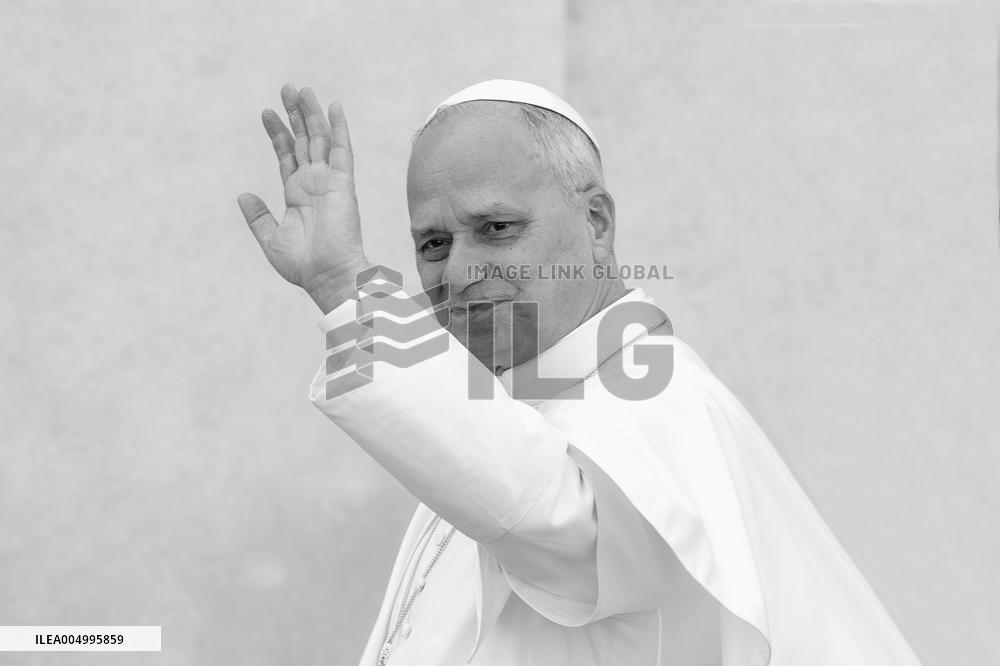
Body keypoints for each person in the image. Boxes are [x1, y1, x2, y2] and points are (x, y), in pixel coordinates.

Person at [237, 80, 924, 665]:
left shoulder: (661, 405)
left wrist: (343, 287)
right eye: (434, 244)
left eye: (498, 228)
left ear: (595, 221)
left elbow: (562, 528)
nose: (462, 272)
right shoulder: (507, 412)